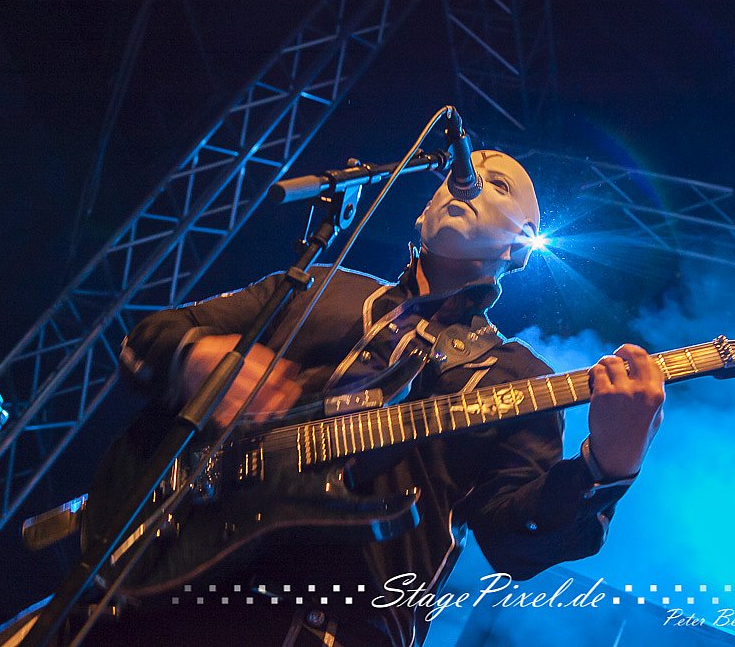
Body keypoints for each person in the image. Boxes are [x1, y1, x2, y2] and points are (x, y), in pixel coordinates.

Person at [96, 150, 666, 645]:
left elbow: (514, 544)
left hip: (334, 627)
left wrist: (606, 467)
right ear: (423, 214)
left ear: (521, 247)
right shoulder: (319, 288)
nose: (466, 183)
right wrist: (193, 356)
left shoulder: (517, 376)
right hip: (155, 587)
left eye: (495, 185)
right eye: (455, 177)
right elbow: (145, 340)